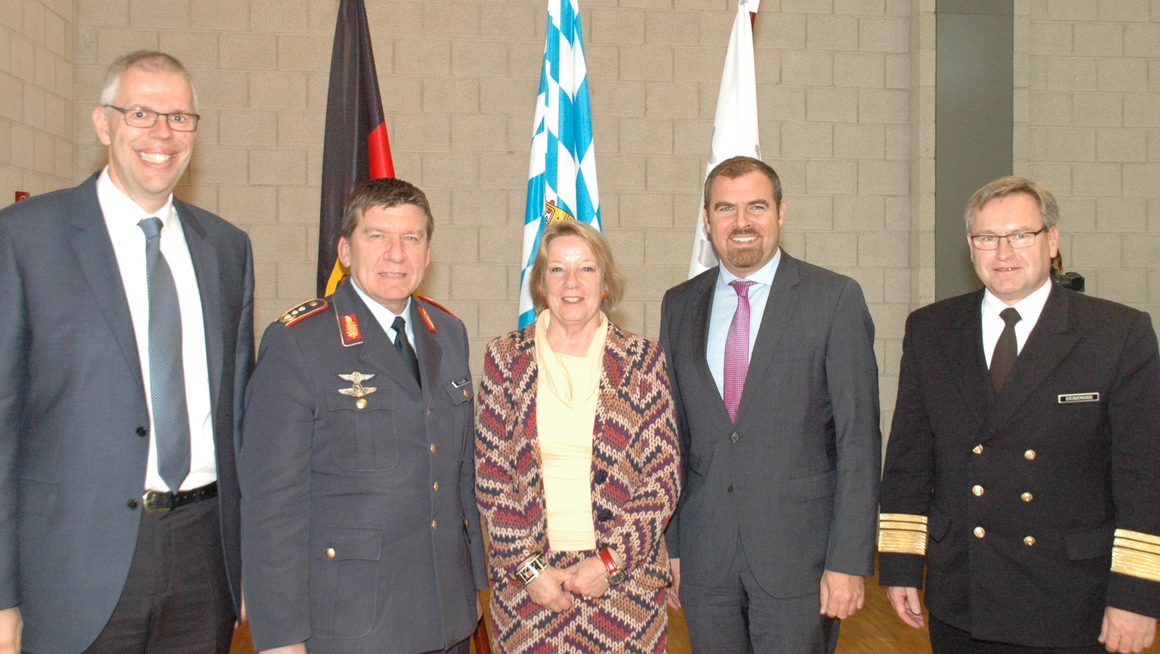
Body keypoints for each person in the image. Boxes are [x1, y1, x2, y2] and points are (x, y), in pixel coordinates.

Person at [0, 50, 255, 653]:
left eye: (180, 118)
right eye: (141, 113)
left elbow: (240, 422)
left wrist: (249, 563)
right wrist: (4, 596)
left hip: (203, 561)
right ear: (103, 123)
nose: (161, 135)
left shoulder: (227, 248)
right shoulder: (26, 237)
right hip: (71, 569)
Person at [878, 176, 1160, 654]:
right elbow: (909, 459)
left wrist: (1138, 598)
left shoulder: (1115, 333)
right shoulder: (931, 329)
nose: (1004, 253)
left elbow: (1147, 477)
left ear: (1052, 241)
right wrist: (900, 565)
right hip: (963, 595)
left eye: (1021, 235)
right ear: (970, 247)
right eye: (987, 239)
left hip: (1072, 601)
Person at [239, 178, 487, 654]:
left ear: (428, 252)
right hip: (351, 621)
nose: (396, 254)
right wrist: (280, 634)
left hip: (446, 613)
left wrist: (473, 583)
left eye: (410, 238)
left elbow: (460, 475)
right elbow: (272, 502)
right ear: (345, 250)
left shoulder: (447, 332)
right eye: (377, 236)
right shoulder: (300, 342)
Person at [660, 155, 881, 653]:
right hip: (705, 560)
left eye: (756, 207)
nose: (741, 222)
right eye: (725, 209)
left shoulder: (834, 298)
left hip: (800, 562)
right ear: (706, 219)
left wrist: (847, 561)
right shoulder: (679, 304)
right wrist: (670, 546)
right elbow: (672, 437)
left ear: (782, 212)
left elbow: (858, 441)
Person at [475, 220, 681, 653]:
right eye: (557, 269)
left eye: (586, 269)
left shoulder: (643, 360)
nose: (572, 282)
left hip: (625, 590)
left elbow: (662, 480)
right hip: (529, 594)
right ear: (541, 284)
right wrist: (532, 572)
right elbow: (493, 479)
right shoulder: (505, 358)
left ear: (605, 283)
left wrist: (609, 563)